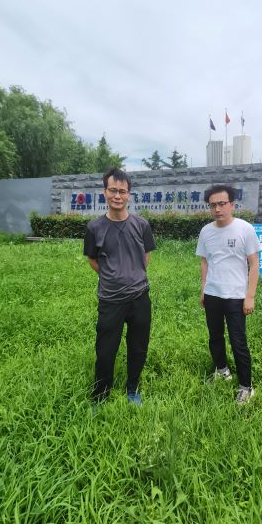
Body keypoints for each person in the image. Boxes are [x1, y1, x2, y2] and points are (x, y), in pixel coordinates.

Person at [84, 167, 155, 406]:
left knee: (138, 347)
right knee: (105, 350)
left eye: (122, 191)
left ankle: (132, 388)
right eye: (113, 190)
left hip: (140, 297)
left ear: (129, 195)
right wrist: (111, 276)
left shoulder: (141, 225)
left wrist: (132, 274)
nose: (117, 195)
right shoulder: (94, 228)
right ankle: (101, 394)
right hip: (110, 299)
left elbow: (145, 256)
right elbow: (92, 259)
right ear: (105, 192)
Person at [196, 184, 260, 404]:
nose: (217, 209)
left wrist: (250, 296)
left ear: (232, 204)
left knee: (238, 341)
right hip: (213, 294)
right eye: (213, 205)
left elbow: (254, 263)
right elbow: (204, 262)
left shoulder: (245, 229)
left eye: (222, 204)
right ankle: (222, 371)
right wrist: (204, 289)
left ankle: (246, 387)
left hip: (236, 296)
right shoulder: (206, 231)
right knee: (215, 337)